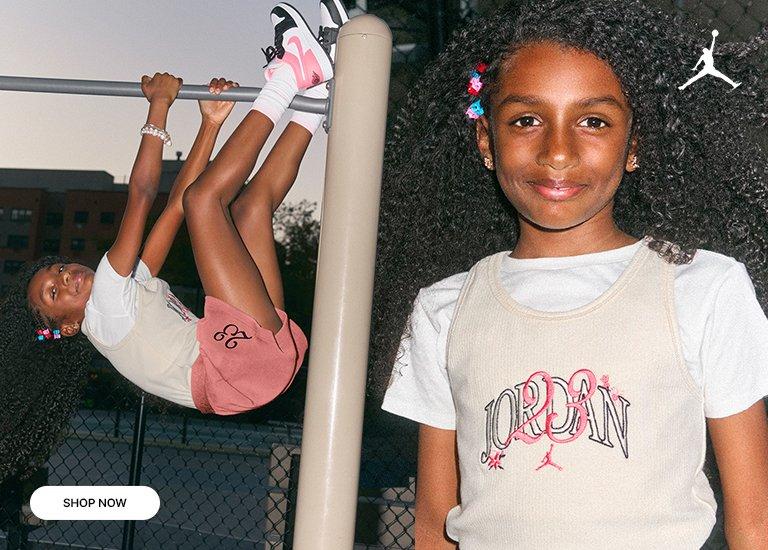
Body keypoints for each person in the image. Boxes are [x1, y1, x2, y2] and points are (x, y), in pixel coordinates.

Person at [375, 0, 768, 548]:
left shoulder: (704, 288)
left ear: (634, 145)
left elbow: (755, 523)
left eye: (593, 121)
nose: (557, 152)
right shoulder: (444, 308)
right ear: (486, 142)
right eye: (526, 120)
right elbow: (434, 520)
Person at [1, 0, 348, 482]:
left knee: (249, 209)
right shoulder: (105, 305)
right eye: (55, 295)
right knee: (212, 201)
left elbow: (174, 209)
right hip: (232, 367)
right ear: (68, 327)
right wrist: (158, 105)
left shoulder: (125, 294)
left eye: (58, 271)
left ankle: (323, 85)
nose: (67, 279)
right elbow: (142, 194)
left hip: (251, 367)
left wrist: (209, 126)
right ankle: (291, 75)